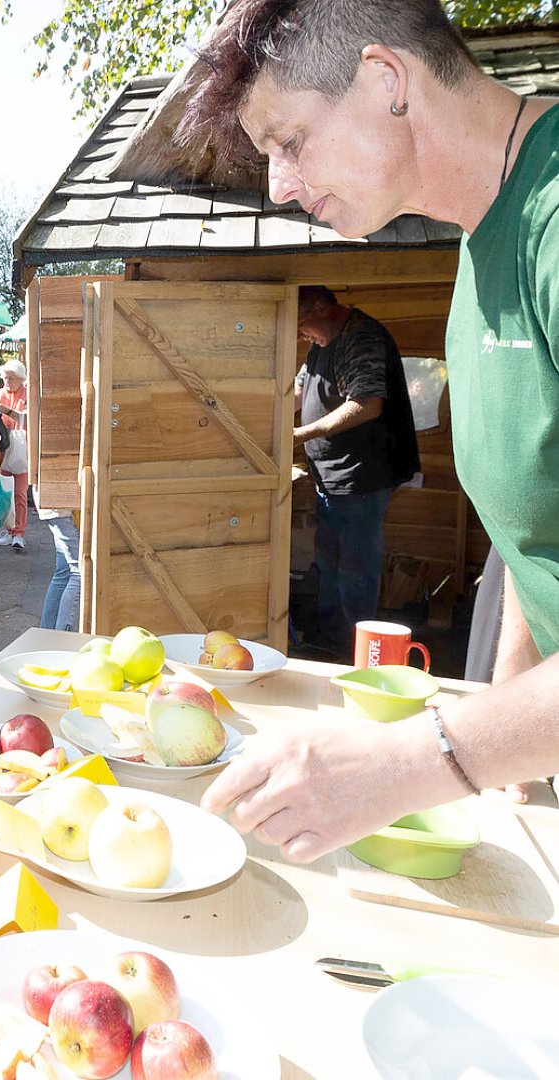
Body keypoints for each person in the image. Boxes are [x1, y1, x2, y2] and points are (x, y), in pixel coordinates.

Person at [178, 0, 559, 858]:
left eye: (288, 140)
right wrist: (514, 774)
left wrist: (416, 761)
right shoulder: (481, 242)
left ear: (386, 80)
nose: (277, 183)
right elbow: (539, 545)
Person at [294, 285, 420, 654]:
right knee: (329, 563)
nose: (299, 334)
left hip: (362, 475)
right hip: (330, 475)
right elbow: (299, 391)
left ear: (321, 308)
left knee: (354, 570)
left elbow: (366, 405)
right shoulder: (319, 341)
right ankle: (333, 641)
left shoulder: (360, 336)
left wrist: (301, 434)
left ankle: (358, 653)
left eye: (300, 323)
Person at [0, 359, 29, 551]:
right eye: (5, 377)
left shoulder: (27, 394)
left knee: (20, 493)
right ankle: (8, 530)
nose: (7, 381)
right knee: (3, 493)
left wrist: (7, 411)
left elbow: (26, 417)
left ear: (21, 379)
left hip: (22, 449)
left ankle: (19, 532)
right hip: (1, 449)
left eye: (11, 378)